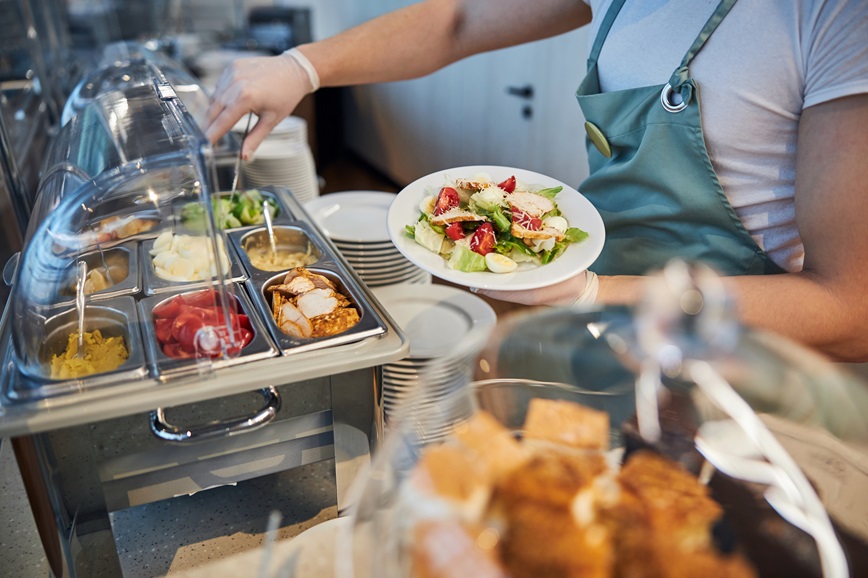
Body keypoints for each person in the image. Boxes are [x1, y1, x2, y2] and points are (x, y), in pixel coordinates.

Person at [205, 0, 868, 362]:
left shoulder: (834, 17)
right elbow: (458, 18)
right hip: (610, 332)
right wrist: (301, 67)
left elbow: (851, 309)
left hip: (746, 376)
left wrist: (591, 291)